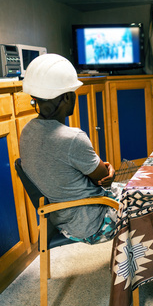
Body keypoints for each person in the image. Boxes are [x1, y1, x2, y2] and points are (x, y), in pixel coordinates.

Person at [19, 53, 120, 245]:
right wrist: (110, 172)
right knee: (149, 202)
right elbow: (103, 180)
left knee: (134, 190)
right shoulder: (73, 138)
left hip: (60, 219)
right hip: (93, 223)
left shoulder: (27, 130)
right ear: (67, 97)